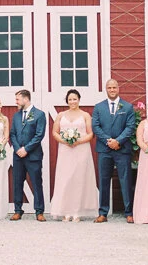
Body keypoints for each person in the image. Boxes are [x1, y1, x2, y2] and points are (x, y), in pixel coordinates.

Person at [91, 79, 136, 223]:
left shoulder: (127, 107)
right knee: (104, 180)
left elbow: (130, 127)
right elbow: (95, 126)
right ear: (106, 89)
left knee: (125, 180)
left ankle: (129, 212)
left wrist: (118, 141)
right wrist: (108, 141)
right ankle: (103, 213)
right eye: (109, 88)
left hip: (122, 149)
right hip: (104, 149)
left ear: (118, 88)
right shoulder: (99, 107)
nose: (112, 90)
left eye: (114, 87)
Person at [49, 88, 98, 221]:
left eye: (75, 99)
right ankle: (66, 211)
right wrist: (65, 141)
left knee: (79, 179)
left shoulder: (85, 115)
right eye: (70, 99)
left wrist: (78, 141)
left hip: (81, 149)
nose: (72, 102)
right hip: (65, 150)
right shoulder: (61, 115)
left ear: (79, 100)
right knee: (65, 179)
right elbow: (55, 132)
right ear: (67, 101)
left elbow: (90, 134)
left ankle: (77, 211)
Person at [9, 89, 47, 221]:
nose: (16, 102)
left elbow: (39, 135)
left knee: (36, 183)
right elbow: (12, 134)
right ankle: (17, 210)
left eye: (18, 99)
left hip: (33, 155)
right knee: (17, 183)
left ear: (26, 99)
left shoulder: (39, 114)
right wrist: (18, 149)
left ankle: (39, 211)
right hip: (18, 155)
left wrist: (26, 149)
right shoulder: (16, 116)